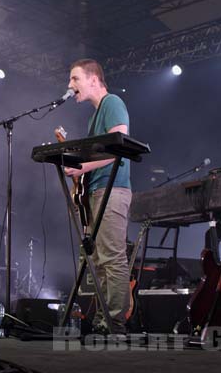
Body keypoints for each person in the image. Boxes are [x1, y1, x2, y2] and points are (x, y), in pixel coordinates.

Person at [64, 58, 131, 334]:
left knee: (112, 258)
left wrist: (82, 165)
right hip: (96, 190)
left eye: (74, 78)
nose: (70, 85)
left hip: (112, 189)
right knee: (101, 261)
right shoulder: (94, 117)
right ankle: (105, 320)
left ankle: (115, 321)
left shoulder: (113, 102)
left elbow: (119, 143)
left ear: (93, 79)